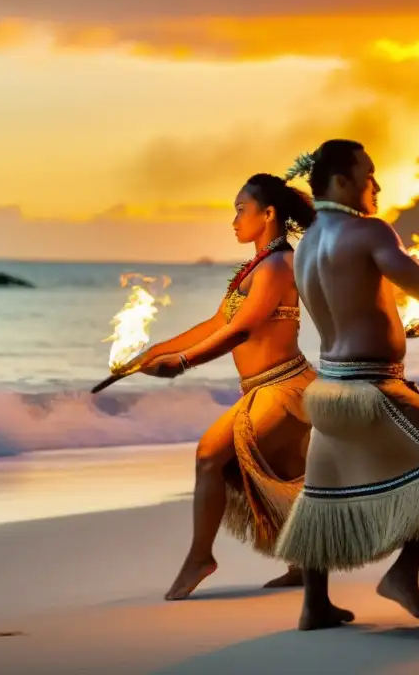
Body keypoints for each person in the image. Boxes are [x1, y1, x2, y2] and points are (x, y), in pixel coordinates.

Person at [273, 139, 419, 631]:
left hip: (328, 388)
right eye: (368, 174)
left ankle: (315, 607)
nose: (376, 185)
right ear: (340, 181)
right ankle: (402, 574)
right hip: (371, 388)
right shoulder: (367, 230)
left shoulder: (308, 242)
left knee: (321, 500)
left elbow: (358, 301)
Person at [127, 173, 317, 600]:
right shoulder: (257, 267)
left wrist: (182, 363)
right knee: (283, 474)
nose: (233, 221)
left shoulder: (277, 266)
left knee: (210, 455)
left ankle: (200, 557)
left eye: (240, 210)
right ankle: (305, 563)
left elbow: (243, 330)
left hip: (283, 388)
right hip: (265, 389)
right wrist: (156, 350)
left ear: (268, 214)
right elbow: (218, 323)